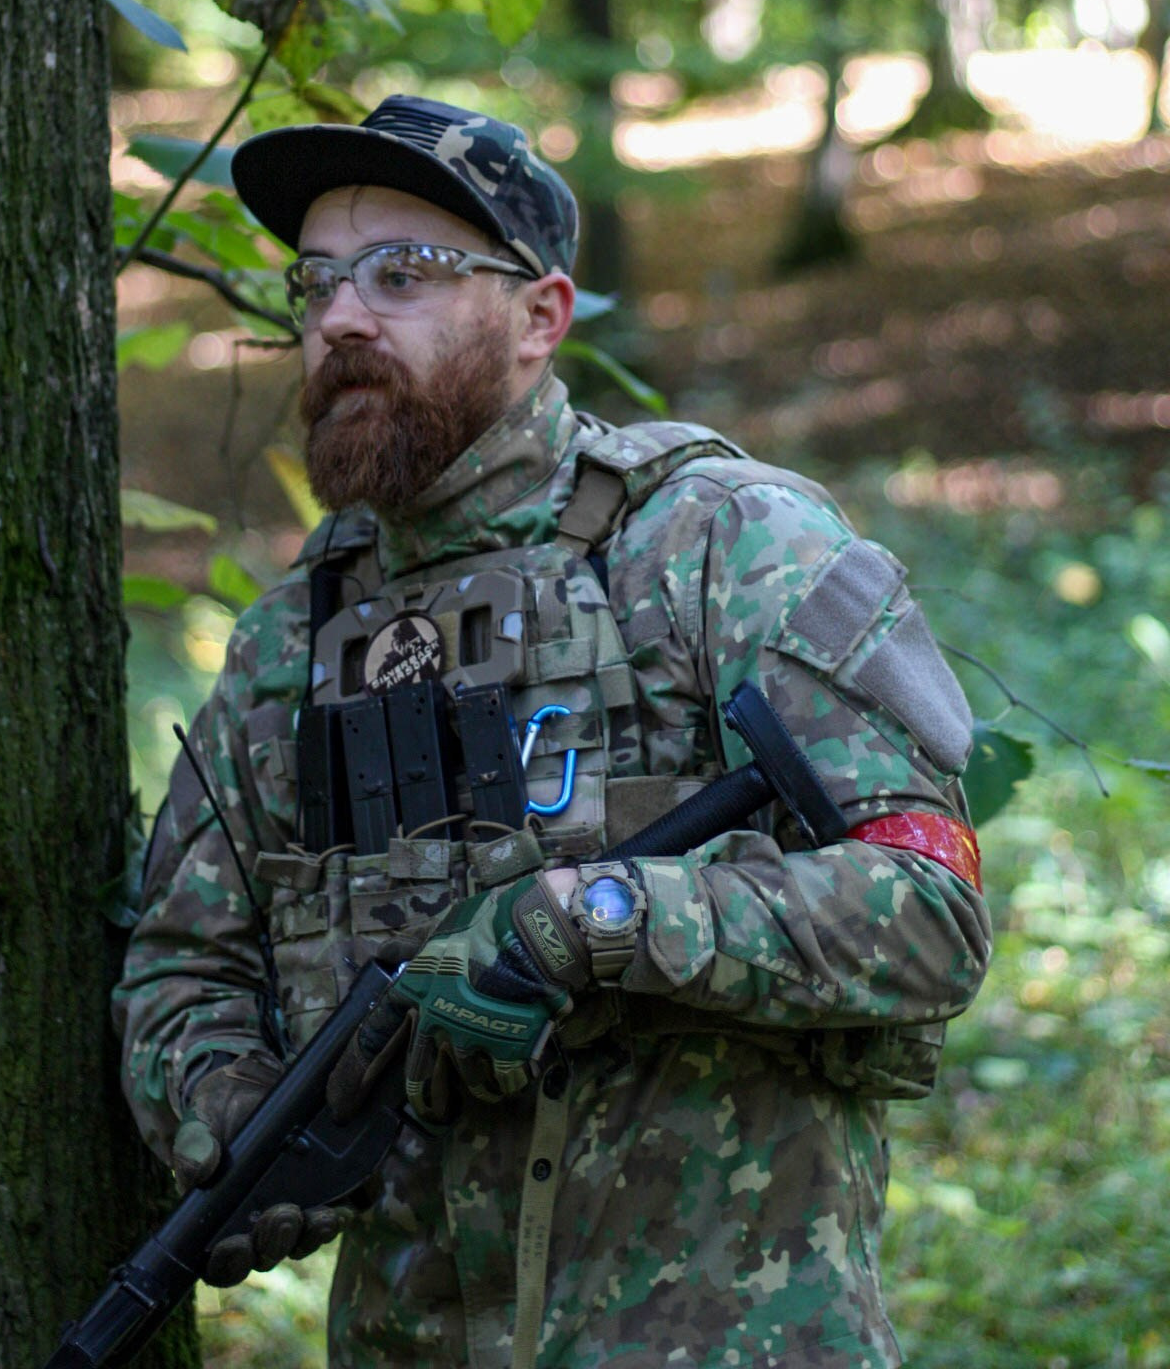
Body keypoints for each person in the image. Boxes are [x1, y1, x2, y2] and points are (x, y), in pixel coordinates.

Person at [114, 94, 991, 1369]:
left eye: (403, 274)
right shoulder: (290, 643)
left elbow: (931, 913)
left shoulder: (719, 547)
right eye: (316, 284)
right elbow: (179, 963)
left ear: (540, 316)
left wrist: (604, 925)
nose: (344, 317)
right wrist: (237, 1119)